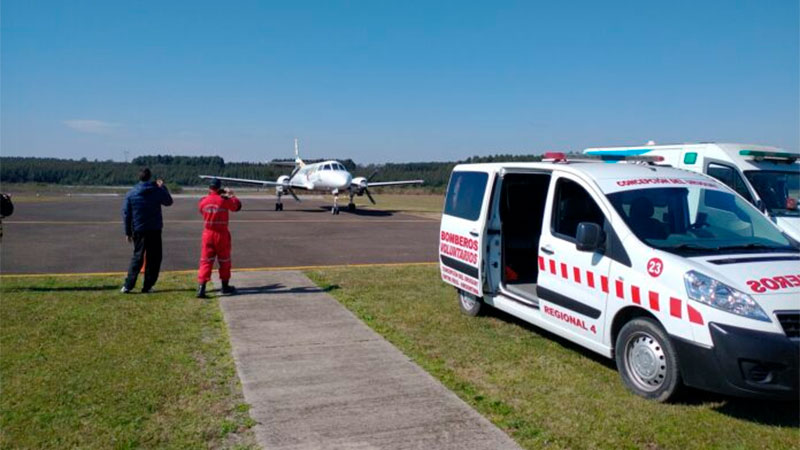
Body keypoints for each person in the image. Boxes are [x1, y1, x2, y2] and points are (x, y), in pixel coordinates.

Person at [121, 168, 173, 293]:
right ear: (150, 177)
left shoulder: (131, 193)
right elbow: (169, 201)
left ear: (139, 178)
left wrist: (127, 232)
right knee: (154, 258)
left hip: (138, 229)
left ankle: (128, 285)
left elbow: (126, 214)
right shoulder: (156, 190)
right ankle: (148, 285)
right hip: (154, 229)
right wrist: (163, 187)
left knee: (137, 257)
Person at [196, 178, 242, 298]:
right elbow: (236, 207)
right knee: (224, 261)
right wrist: (231, 195)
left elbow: (201, 209)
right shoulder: (224, 200)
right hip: (221, 234)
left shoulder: (203, 201)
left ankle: (201, 287)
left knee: (205, 261)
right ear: (219, 187)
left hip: (208, 234)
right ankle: (225, 286)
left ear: (209, 188)